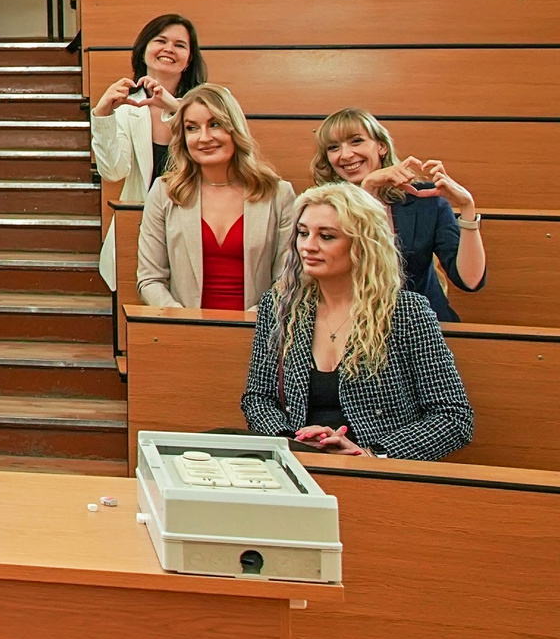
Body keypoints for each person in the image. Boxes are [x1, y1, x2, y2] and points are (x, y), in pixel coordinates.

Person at [242, 182, 473, 461]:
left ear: (362, 245)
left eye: (326, 236)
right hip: (299, 459)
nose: (308, 246)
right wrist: (292, 441)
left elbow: (452, 417)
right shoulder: (280, 305)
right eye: (303, 233)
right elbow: (258, 398)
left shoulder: (405, 311)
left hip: (376, 469)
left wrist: (372, 454)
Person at [309, 109, 486, 323]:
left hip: (424, 328)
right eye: (333, 147)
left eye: (356, 141)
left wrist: (467, 206)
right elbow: (348, 274)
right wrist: (367, 190)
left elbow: (470, 280)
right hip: (353, 327)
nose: (345, 155)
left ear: (382, 147)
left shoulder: (424, 200)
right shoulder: (319, 208)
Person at [137, 84, 297, 312]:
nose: (204, 138)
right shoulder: (164, 193)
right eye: (192, 128)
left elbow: (288, 280)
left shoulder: (278, 194)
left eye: (215, 124)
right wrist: (182, 320)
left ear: (235, 129)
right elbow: (150, 279)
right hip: (184, 325)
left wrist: (255, 320)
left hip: (258, 326)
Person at [91, 12, 206, 293]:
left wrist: (176, 108)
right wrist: (103, 115)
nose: (169, 49)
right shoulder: (127, 108)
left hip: (196, 227)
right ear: (144, 51)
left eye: (180, 45)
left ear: (189, 59)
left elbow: (219, 152)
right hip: (139, 229)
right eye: (161, 41)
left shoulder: (208, 103)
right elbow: (113, 172)